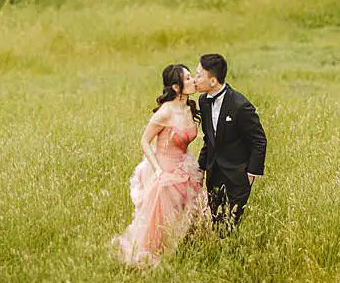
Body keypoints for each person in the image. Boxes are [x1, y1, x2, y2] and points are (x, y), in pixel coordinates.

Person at [112, 63, 208, 267]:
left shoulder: (190, 107)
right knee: (158, 221)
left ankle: (181, 254)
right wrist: (158, 170)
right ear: (176, 87)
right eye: (188, 78)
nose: (193, 81)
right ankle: (149, 260)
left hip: (185, 166)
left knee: (187, 217)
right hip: (164, 169)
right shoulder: (165, 113)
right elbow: (144, 141)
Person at [194, 53, 267, 232]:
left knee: (232, 224)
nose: (195, 79)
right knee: (217, 222)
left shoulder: (240, 105)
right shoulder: (203, 101)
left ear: (213, 81)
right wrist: (201, 168)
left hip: (238, 174)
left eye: (199, 75)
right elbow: (208, 138)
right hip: (214, 173)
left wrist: (251, 174)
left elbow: (259, 140)